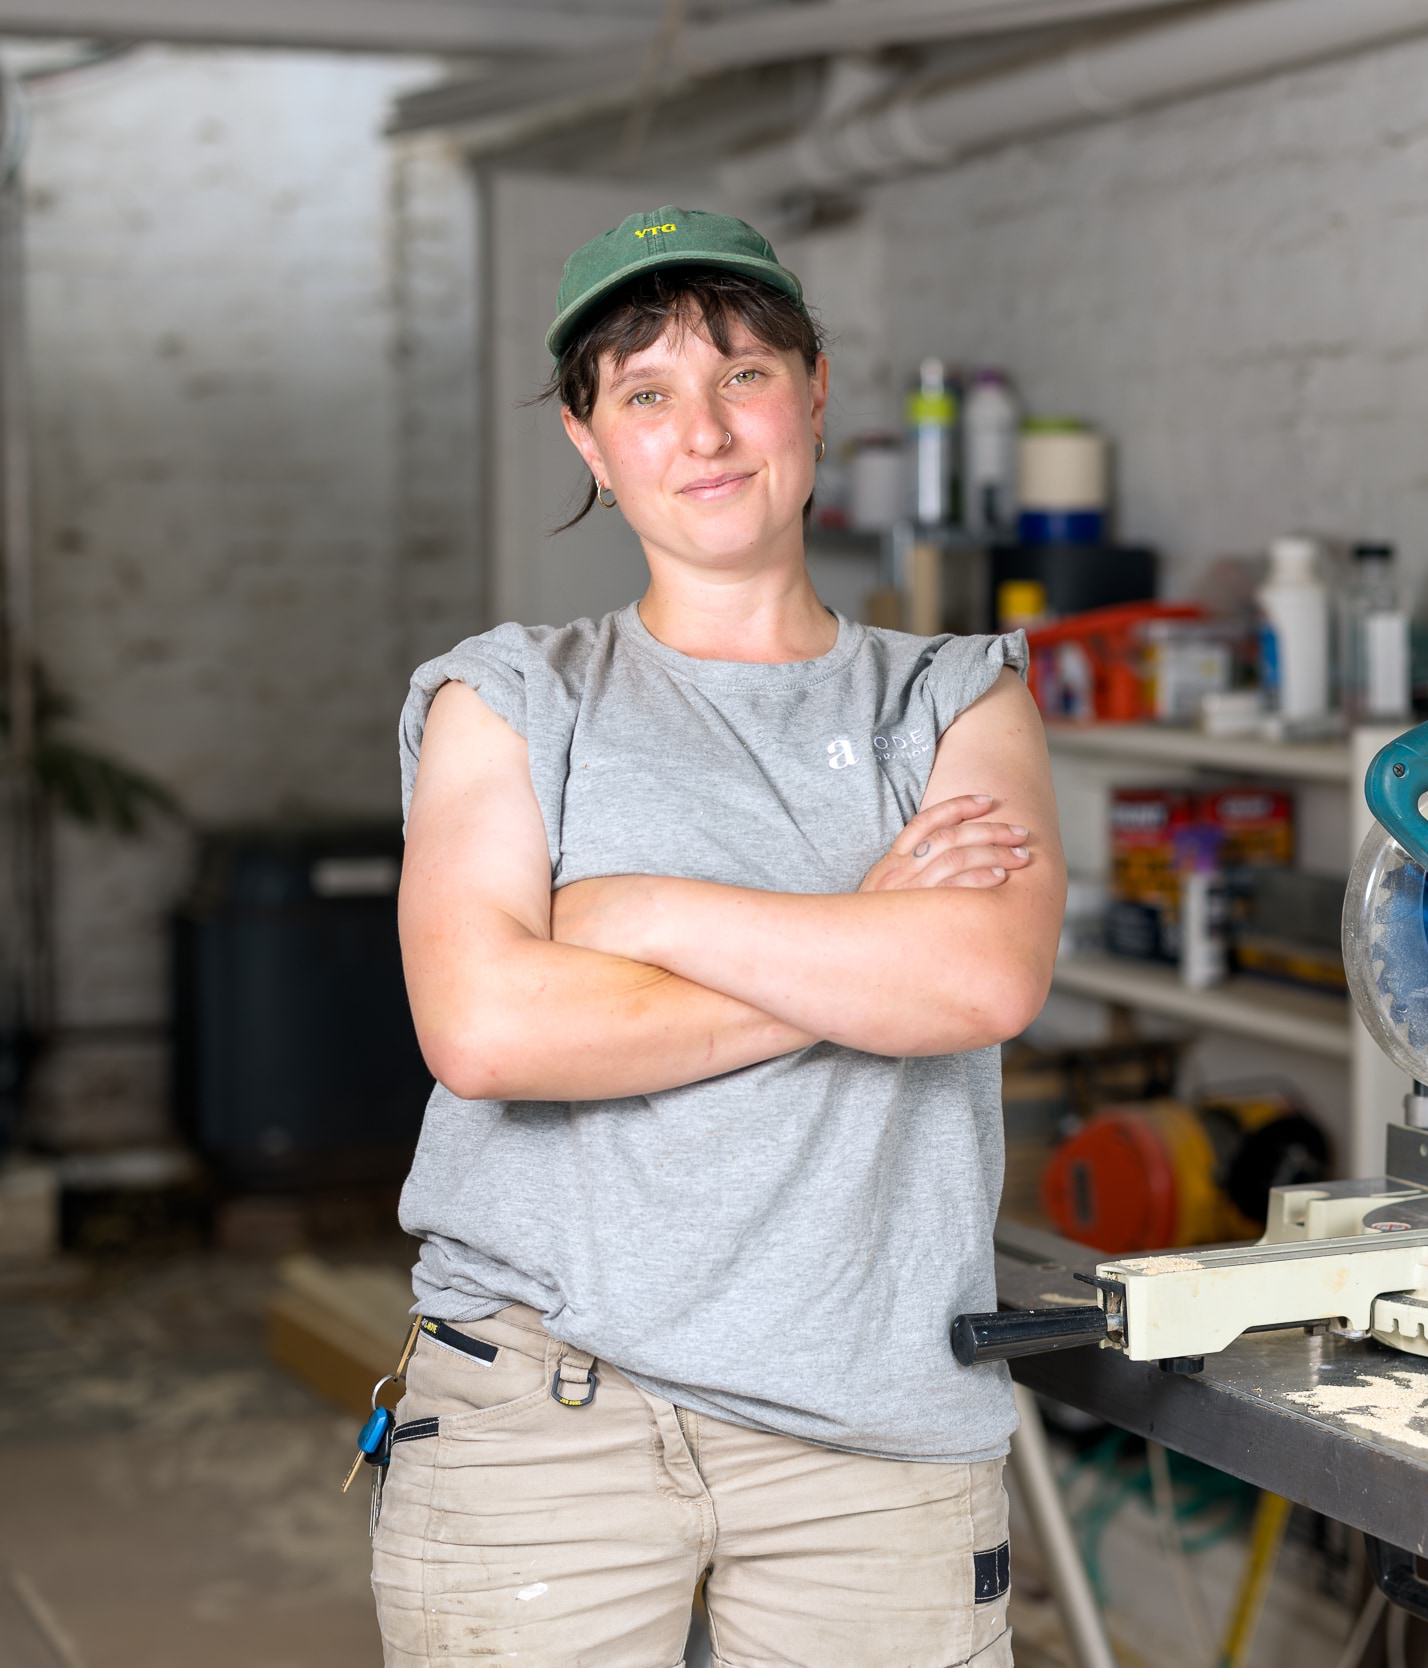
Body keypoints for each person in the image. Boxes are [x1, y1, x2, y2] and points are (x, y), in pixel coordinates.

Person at [372, 206, 1059, 1668]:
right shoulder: (507, 698)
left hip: (874, 1441)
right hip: (542, 1416)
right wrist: (862, 945)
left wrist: (634, 917)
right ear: (588, 439)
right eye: (645, 393)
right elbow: (490, 1032)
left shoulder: (954, 699)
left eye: (743, 374)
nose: (706, 429)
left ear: (815, 392)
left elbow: (979, 977)